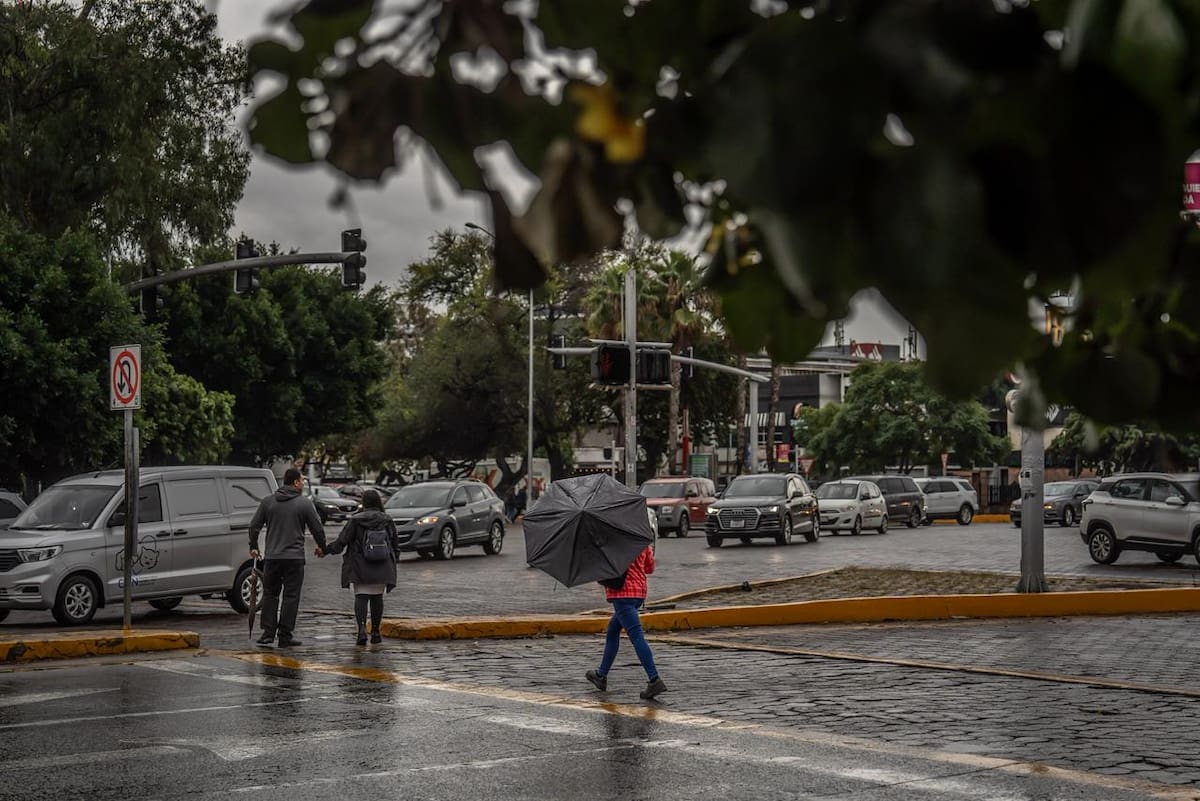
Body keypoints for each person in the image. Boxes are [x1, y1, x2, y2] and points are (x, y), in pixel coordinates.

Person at [249, 468, 328, 647]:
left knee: (270, 594)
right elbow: (317, 529)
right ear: (295, 482)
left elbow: (254, 526)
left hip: (272, 557)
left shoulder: (268, 502)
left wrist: (253, 546)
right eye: (301, 480)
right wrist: (322, 548)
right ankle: (285, 635)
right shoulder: (304, 504)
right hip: (294, 558)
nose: (302, 483)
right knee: (291, 596)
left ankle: (268, 634)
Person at [585, 544, 667, 700]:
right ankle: (601, 675)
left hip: (622, 595)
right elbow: (649, 568)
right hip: (638, 594)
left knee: (637, 637)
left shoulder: (614, 543)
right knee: (613, 631)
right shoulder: (642, 540)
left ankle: (654, 679)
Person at [323, 490, 399, 645]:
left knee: (361, 597)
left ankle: (362, 630)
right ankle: (376, 632)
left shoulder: (356, 520)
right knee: (377, 597)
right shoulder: (387, 519)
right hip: (382, 564)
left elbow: (342, 542)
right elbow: (395, 543)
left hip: (360, 564)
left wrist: (325, 550)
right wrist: (394, 560)